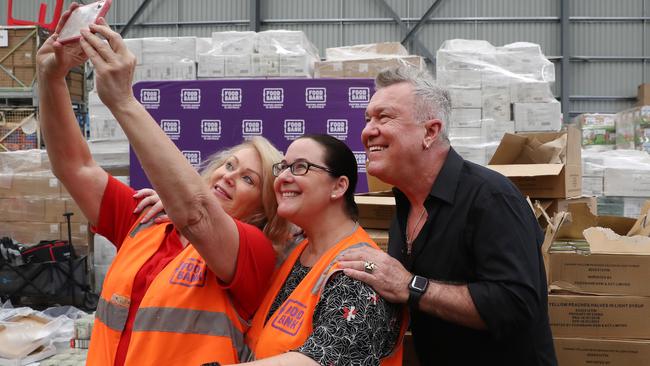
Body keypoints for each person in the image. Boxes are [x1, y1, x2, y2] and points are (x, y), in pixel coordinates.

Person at [36, 6, 291, 366]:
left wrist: (123, 101)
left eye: (249, 179)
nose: (230, 177)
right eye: (229, 165)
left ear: (264, 209)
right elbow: (75, 167)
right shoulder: (149, 220)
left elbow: (198, 214)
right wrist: (51, 77)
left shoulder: (254, 253)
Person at [337, 66, 558, 365]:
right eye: (367, 119)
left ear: (430, 131)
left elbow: (516, 304)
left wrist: (410, 285)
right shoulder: (404, 207)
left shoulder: (491, 198)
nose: (367, 131)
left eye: (384, 117)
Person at [234, 134, 405, 365]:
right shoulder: (295, 250)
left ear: (338, 186)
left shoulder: (358, 272)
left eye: (300, 167)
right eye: (283, 167)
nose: (283, 177)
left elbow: (325, 359)